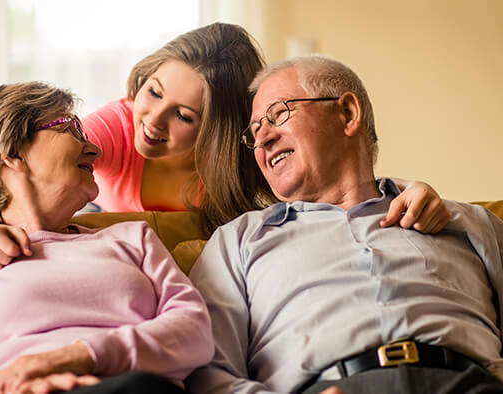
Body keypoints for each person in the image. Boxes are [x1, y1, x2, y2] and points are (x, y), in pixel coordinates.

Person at [0, 22, 449, 273]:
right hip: (100, 221)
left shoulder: (246, 157)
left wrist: (407, 188)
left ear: (216, 132)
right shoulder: (118, 123)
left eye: (184, 116)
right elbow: (20, 167)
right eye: (153, 92)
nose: (151, 121)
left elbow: (332, 184)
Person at [185, 55, 503, 393]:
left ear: (348, 113)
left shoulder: (468, 222)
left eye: (277, 114)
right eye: (254, 131)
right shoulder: (238, 242)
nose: (262, 140)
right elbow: (208, 375)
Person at [0, 82, 214, 394]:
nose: (95, 149)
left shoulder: (134, 238)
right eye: (70, 128)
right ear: (12, 152)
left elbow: (195, 330)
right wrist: (17, 389)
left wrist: (82, 356)